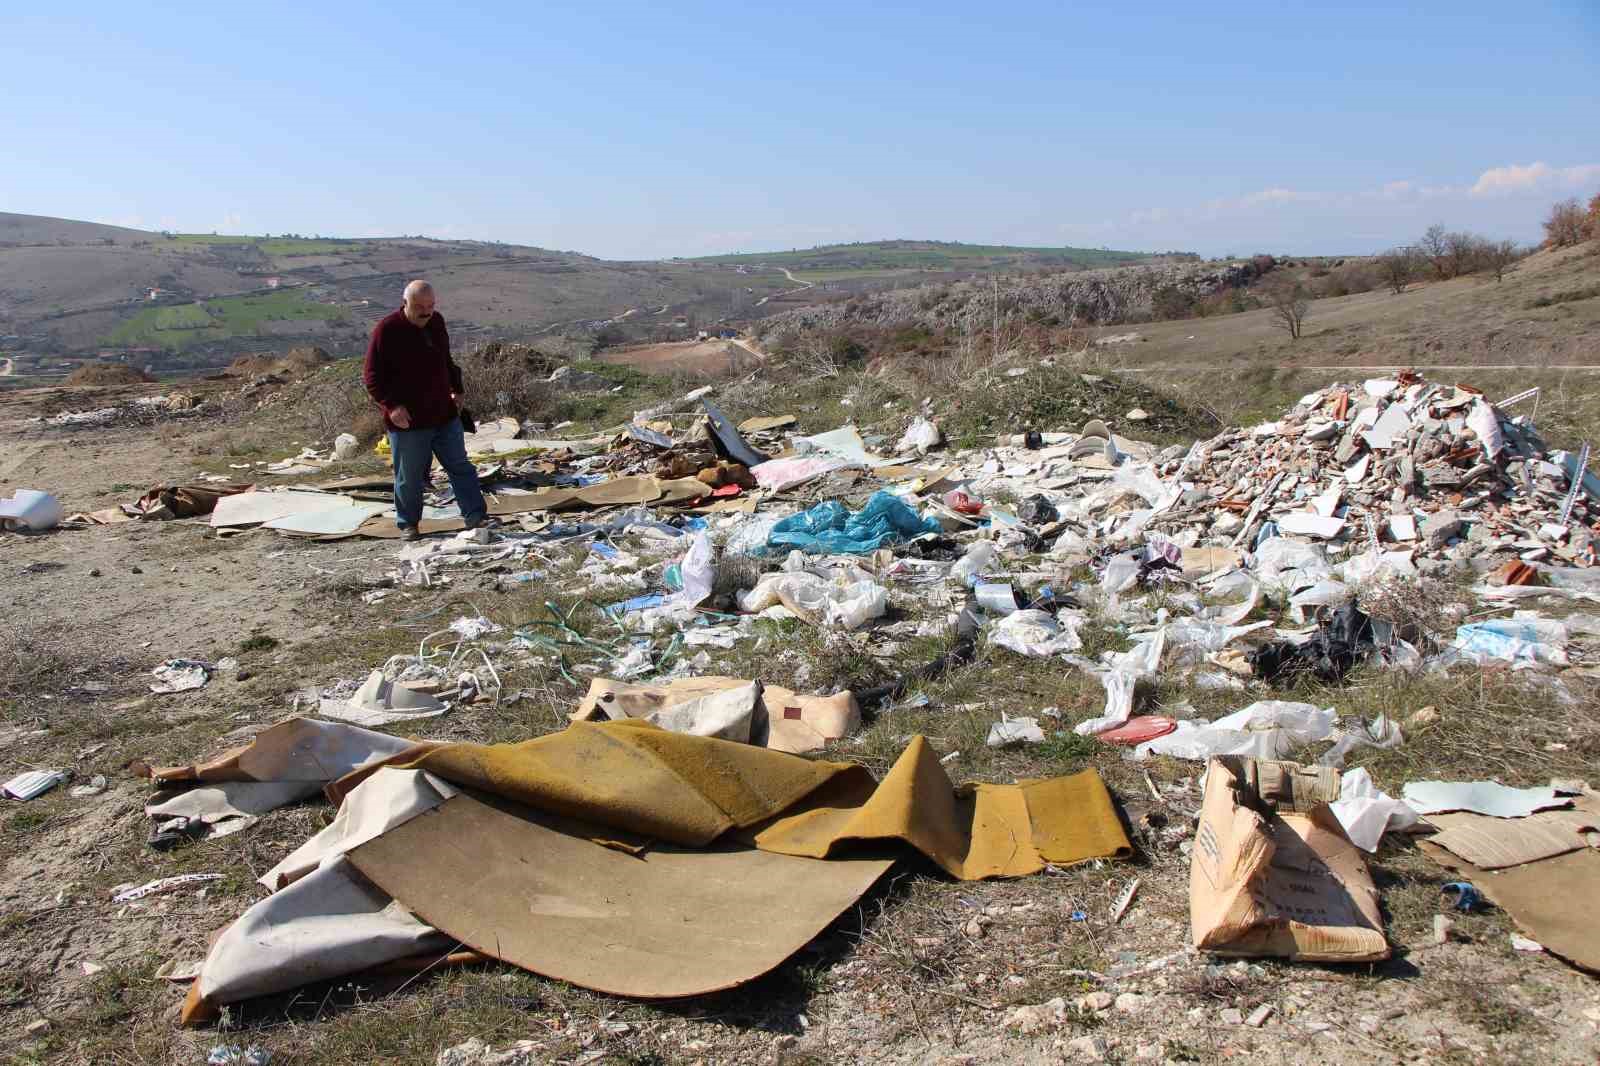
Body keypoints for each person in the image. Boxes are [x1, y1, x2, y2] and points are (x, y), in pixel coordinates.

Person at [363, 280, 488, 540]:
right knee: (409, 477)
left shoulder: (436, 322)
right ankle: (409, 524)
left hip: (444, 414)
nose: (426, 312)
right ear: (405, 302)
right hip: (409, 421)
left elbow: (446, 360)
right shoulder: (386, 330)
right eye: (419, 307)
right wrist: (392, 406)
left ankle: (475, 518)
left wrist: (458, 388)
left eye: (430, 306)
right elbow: (372, 377)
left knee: (461, 467)